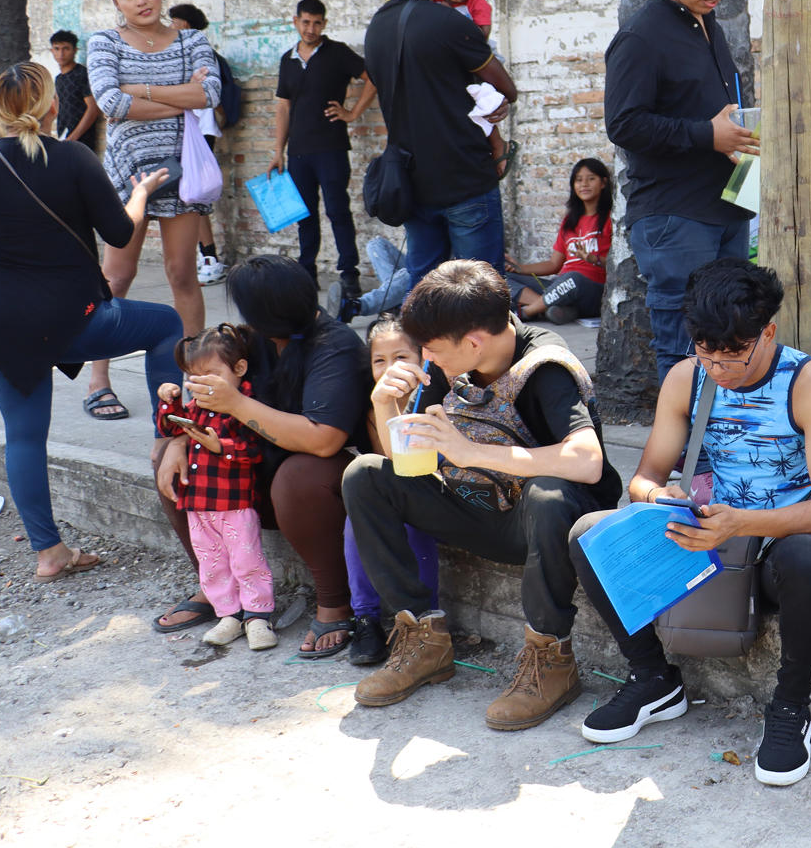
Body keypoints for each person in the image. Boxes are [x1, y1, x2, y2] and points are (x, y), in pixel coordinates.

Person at [570, 259, 811, 787]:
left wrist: (741, 524)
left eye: (734, 355)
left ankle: (790, 706)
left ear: (767, 332)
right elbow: (644, 477)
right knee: (588, 536)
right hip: (705, 534)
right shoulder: (687, 377)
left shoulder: (805, 382)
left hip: (774, 548)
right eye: (707, 351)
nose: (719, 368)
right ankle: (653, 679)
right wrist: (662, 496)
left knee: (810, 555)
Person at [341, 260, 622, 724]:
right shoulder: (452, 365)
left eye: (431, 349)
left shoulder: (545, 366)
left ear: (472, 342)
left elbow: (587, 462)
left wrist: (470, 452)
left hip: (544, 527)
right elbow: (412, 462)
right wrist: (381, 403)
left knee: (549, 492)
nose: (427, 360)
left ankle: (551, 659)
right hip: (476, 510)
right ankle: (422, 641)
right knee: (366, 474)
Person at [0, 63, 184, 579]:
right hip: (73, 320)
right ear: (53, 106)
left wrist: (6, 232)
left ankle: (49, 552)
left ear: (0, 112)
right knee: (165, 324)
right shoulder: (73, 157)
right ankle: (169, 438)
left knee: (24, 436)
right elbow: (120, 234)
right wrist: (139, 196)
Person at [149, 256, 369, 658]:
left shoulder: (334, 345)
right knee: (168, 453)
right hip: (240, 479)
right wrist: (179, 440)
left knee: (300, 473)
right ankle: (218, 591)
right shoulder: (244, 341)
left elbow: (324, 441)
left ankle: (334, 601)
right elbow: (194, 391)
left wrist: (235, 404)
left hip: (315, 494)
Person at [604, 0, 758, 378]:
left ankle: (716, 448)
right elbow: (624, 124)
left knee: (729, 343)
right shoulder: (641, 36)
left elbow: (713, 110)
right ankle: (680, 452)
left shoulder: (710, 26)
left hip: (728, 207)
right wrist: (707, 135)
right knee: (684, 349)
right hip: (674, 216)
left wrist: (739, 137)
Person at [80, 0, 222, 419]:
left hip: (181, 171)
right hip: (127, 173)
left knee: (183, 273)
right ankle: (97, 378)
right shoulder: (103, 42)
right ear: (116, 1)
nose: (141, 1)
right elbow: (109, 103)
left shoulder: (192, 39)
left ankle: (194, 376)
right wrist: (178, 98)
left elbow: (209, 95)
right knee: (116, 278)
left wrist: (139, 90)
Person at [363, 0, 517, 292]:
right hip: (464, 178)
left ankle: (427, 352)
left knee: (427, 295)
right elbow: (506, 87)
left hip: (411, 184)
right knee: (482, 293)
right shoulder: (446, 21)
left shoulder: (374, 31)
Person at [154, 325, 278, 649]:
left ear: (238, 369)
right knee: (212, 563)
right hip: (199, 504)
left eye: (210, 375)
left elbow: (254, 450)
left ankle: (257, 616)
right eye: (192, 378)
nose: (199, 384)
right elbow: (168, 426)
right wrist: (169, 401)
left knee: (246, 560)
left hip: (234, 504)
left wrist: (220, 446)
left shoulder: (243, 405)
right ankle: (228, 615)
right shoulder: (196, 407)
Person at [344, 316, 445, 666]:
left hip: (438, 497)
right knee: (354, 517)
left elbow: (415, 470)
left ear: (423, 359)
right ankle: (366, 618)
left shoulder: (437, 398)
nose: (390, 369)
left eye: (401, 358)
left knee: (413, 519)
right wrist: (381, 403)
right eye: (379, 361)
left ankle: (427, 619)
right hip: (391, 499)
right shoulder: (369, 403)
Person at [271, 0, 374, 306]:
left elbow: (373, 78)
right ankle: (306, 273)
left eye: (317, 22)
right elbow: (283, 107)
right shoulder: (287, 59)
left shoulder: (337, 53)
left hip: (331, 148)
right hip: (299, 152)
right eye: (305, 22)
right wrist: (278, 150)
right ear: (296, 22)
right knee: (304, 216)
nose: (311, 28)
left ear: (324, 24)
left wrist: (352, 113)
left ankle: (349, 274)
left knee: (337, 211)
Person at [434, 0, 513, 176]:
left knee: (484, 104)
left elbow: (481, 35)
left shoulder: (477, 4)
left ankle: (498, 143)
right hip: (454, 65)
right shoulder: (434, 6)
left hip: (480, 63)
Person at [165, 4, 230, 286]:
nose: (170, 29)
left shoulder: (202, 58)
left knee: (195, 196)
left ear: (189, 27)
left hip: (200, 133)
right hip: (191, 131)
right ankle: (206, 256)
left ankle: (209, 258)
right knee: (190, 196)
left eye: (175, 24)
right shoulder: (180, 54)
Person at [506, 158, 612, 324]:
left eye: (591, 179)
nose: (584, 184)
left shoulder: (611, 219)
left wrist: (593, 259)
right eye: (579, 180)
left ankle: (526, 312)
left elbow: (619, 266)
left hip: (591, 290)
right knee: (500, 276)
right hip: (560, 287)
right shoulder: (570, 221)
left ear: (603, 183)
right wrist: (518, 269)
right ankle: (551, 307)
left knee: (573, 278)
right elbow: (553, 265)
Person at [49, 30, 101, 147]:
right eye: (57, 49)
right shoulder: (58, 79)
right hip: (64, 138)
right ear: (52, 51)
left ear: (75, 50)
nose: (61, 54)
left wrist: (74, 137)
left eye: (66, 48)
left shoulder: (82, 74)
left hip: (83, 141)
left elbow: (93, 109)